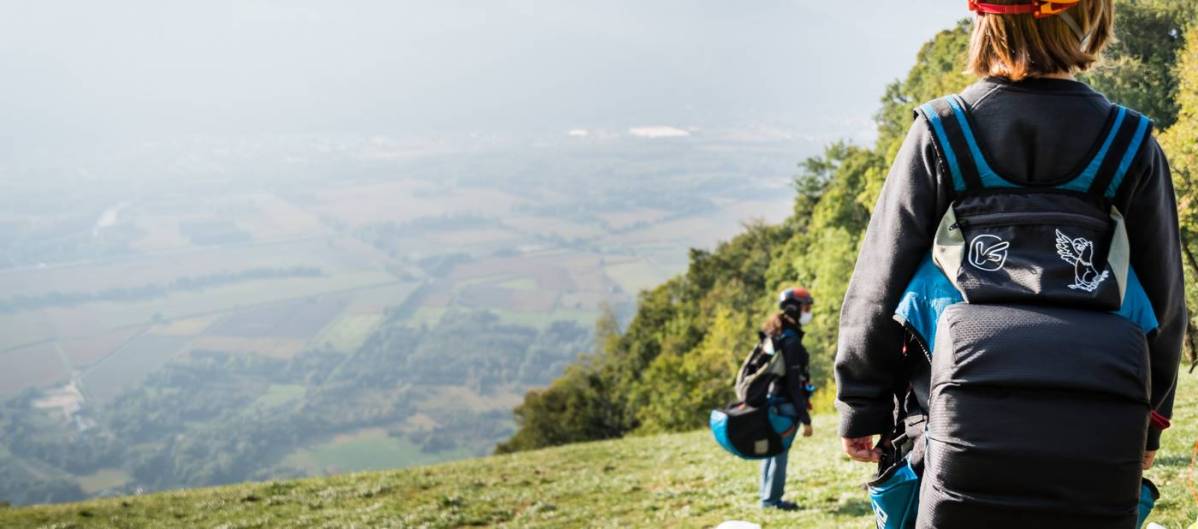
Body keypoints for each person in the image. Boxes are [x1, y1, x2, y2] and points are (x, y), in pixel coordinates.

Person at [834, 0, 1183, 525]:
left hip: (951, 431)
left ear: (985, 20)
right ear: (1091, 17)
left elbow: (879, 283)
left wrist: (862, 403)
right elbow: (1164, 304)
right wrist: (1151, 422)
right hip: (1094, 429)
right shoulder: (1130, 143)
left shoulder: (942, 132)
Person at [759, 287, 816, 510]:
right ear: (793, 309)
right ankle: (772, 501)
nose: (809, 312)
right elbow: (793, 384)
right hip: (786, 405)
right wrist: (806, 419)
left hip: (772, 401)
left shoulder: (777, 335)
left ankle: (766, 498)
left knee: (772, 450)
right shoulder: (791, 342)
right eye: (806, 307)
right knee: (779, 453)